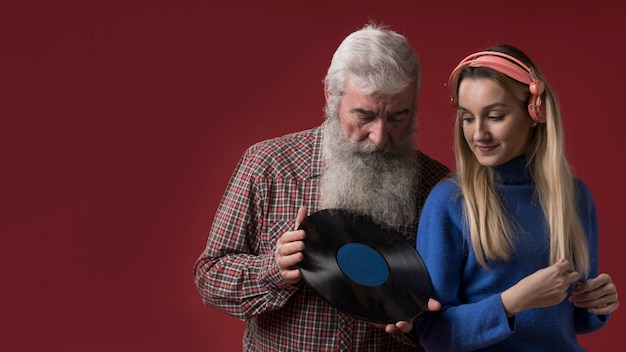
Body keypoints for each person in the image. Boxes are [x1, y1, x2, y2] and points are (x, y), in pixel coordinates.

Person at [193, 23, 450, 351]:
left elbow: (452, 312)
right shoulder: (268, 165)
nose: (380, 136)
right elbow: (210, 278)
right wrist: (274, 269)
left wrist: (414, 322)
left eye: (398, 117)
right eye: (364, 115)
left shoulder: (437, 187)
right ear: (332, 96)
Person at [414, 44, 620, 351]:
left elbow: (577, 321)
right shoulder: (448, 202)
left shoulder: (575, 197)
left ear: (535, 111)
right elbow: (431, 332)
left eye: (494, 116)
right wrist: (513, 301)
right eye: (467, 118)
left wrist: (598, 302)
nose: (478, 134)